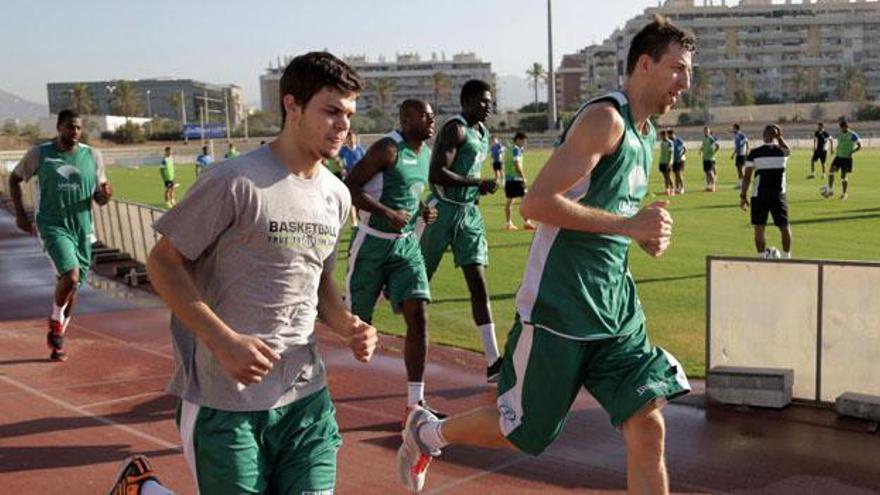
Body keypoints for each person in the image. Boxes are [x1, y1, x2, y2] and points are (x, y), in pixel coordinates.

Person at [398, 16, 693, 494]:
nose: (686, 83)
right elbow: (537, 205)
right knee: (521, 432)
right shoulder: (606, 120)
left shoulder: (647, 135)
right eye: (678, 69)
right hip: (559, 310)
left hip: (616, 312)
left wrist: (642, 233)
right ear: (645, 64)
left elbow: (609, 212)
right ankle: (428, 432)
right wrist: (628, 225)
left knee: (648, 426)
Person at [144, 51, 377, 495]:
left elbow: (318, 280)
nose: (342, 125)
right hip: (225, 402)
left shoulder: (336, 195)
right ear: (292, 106)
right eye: (330, 111)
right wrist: (224, 341)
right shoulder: (235, 180)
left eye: (348, 113)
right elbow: (162, 262)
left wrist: (347, 324)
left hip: (306, 398)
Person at [344, 99, 439, 415]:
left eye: (433, 116)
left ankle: (416, 402)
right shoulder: (387, 148)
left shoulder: (425, 154)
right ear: (406, 118)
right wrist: (385, 212)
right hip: (371, 245)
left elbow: (410, 192)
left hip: (406, 247)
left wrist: (423, 210)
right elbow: (350, 188)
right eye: (424, 116)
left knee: (419, 314)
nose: (431, 121)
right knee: (355, 324)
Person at [8, 109, 112, 361]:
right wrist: (21, 215)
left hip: (83, 229)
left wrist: (105, 196)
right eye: (69, 127)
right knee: (71, 275)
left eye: (78, 128)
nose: (74, 132)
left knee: (73, 287)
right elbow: (14, 179)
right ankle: (55, 320)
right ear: (58, 128)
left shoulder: (92, 156)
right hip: (52, 225)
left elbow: (98, 196)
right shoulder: (40, 153)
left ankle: (58, 340)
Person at [418, 79, 503, 382]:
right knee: (416, 282)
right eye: (482, 101)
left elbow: (470, 171)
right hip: (441, 211)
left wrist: (477, 191)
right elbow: (436, 172)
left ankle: (494, 361)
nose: (488, 106)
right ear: (466, 102)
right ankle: (382, 287)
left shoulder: (483, 133)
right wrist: (476, 183)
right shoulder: (456, 129)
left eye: (490, 101)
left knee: (478, 282)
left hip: (469, 215)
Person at [740, 124, 792, 259]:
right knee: (784, 226)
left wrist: (743, 196)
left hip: (759, 195)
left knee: (759, 228)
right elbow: (788, 149)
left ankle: (762, 257)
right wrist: (780, 137)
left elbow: (747, 177)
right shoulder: (782, 152)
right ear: (777, 136)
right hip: (778, 195)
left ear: (763, 136)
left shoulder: (754, 153)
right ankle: (787, 257)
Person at [502, 131, 536, 231]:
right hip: (516, 179)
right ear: (517, 140)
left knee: (509, 201)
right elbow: (517, 164)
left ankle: (508, 223)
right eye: (523, 141)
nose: (524, 143)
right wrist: (523, 176)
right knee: (525, 200)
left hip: (508, 179)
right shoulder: (516, 150)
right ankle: (527, 222)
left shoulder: (509, 149)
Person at [823, 119, 861, 200]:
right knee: (831, 171)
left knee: (843, 176)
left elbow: (859, 146)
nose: (842, 129)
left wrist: (852, 152)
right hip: (838, 157)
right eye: (841, 128)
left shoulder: (852, 135)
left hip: (846, 158)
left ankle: (844, 194)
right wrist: (834, 150)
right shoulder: (840, 135)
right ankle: (830, 190)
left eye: (843, 127)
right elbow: (840, 144)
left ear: (846, 126)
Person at [700, 125, 720, 192]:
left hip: (710, 158)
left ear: (709, 131)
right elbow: (703, 146)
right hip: (705, 158)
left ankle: (713, 186)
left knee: (711, 173)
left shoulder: (711, 138)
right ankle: (708, 186)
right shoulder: (704, 138)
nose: (706, 132)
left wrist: (714, 152)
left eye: (707, 131)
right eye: (705, 131)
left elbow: (717, 146)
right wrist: (700, 150)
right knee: (706, 173)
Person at [731, 123, 749, 188]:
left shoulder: (741, 135)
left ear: (736, 128)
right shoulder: (736, 135)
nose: (732, 129)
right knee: (738, 169)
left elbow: (746, 141)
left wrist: (747, 151)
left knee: (741, 169)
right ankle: (740, 183)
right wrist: (733, 154)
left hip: (742, 154)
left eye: (733, 128)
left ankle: (745, 183)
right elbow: (737, 146)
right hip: (738, 154)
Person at [657, 129, 674, 196]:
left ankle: (672, 190)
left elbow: (671, 153)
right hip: (662, 161)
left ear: (664, 135)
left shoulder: (670, 143)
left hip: (667, 162)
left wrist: (669, 162)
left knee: (669, 176)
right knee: (665, 177)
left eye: (661, 135)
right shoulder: (662, 143)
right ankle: (667, 190)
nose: (661, 137)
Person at [670, 128, 686, 194]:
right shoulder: (670, 141)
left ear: (673, 134)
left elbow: (684, 149)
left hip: (680, 160)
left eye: (670, 134)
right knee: (676, 175)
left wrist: (681, 155)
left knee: (679, 174)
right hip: (674, 160)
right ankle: (677, 188)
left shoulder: (679, 140)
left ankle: (682, 188)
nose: (669, 136)